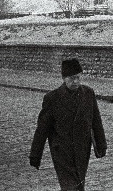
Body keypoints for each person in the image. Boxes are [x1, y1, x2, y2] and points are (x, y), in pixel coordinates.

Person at [30, 58, 107, 191]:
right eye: (71, 78)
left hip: (82, 149)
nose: (75, 81)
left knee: (79, 184)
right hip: (62, 152)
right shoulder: (52, 98)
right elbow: (42, 129)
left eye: (78, 77)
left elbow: (96, 121)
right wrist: (35, 155)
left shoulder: (88, 94)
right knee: (70, 187)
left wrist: (101, 144)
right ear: (64, 78)